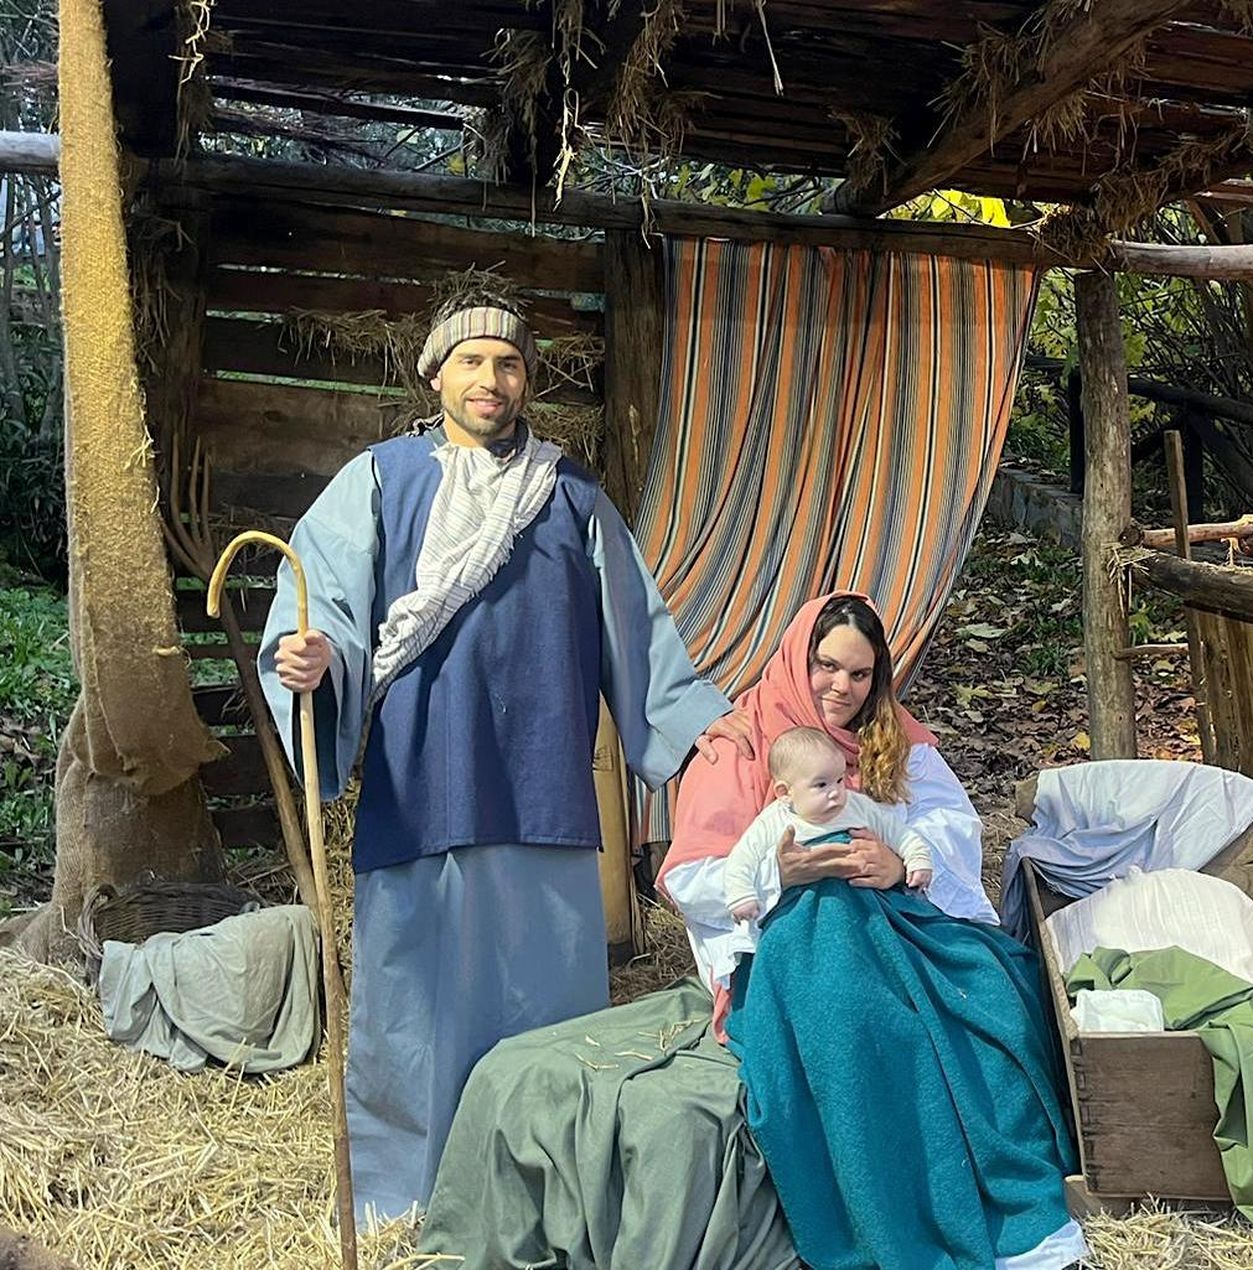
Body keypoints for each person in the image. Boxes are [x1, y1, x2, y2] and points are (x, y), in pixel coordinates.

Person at [259, 301, 751, 1224]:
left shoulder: (570, 498)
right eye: (473, 361)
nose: (492, 379)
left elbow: (635, 635)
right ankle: (408, 1196)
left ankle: (540, 1195)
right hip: (423, 783)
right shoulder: (378, 484)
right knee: (416, 1010)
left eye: (510, 364)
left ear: (528, 381)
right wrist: (312, 664)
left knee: (545, 1010)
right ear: (435, 375)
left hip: (541, 791)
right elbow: (314, 608)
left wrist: (697, 729)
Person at [660, 593, 1087, 1269]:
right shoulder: (740, 746)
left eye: (859, 675)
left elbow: (955, 827)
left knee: (995, 1001)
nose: (841, 688)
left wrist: (897, 863)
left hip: (905, 922)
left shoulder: (894, 734)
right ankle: (896, 1221)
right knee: (856, 1016)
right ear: (800, 659)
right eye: (827, 667)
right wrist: (784, 879)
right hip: (796, 934)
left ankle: (995, 1196)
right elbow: (693, 878)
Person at [723, 725, 933, 922]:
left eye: (839, 780)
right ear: (785, 793)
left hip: (868, 906)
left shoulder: (857, 806)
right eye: (821, 785)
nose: (836, 792)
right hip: (803, 912)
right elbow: (742, 859)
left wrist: (917, 859)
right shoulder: (774, 821)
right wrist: (742, 895)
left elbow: (899, 833)